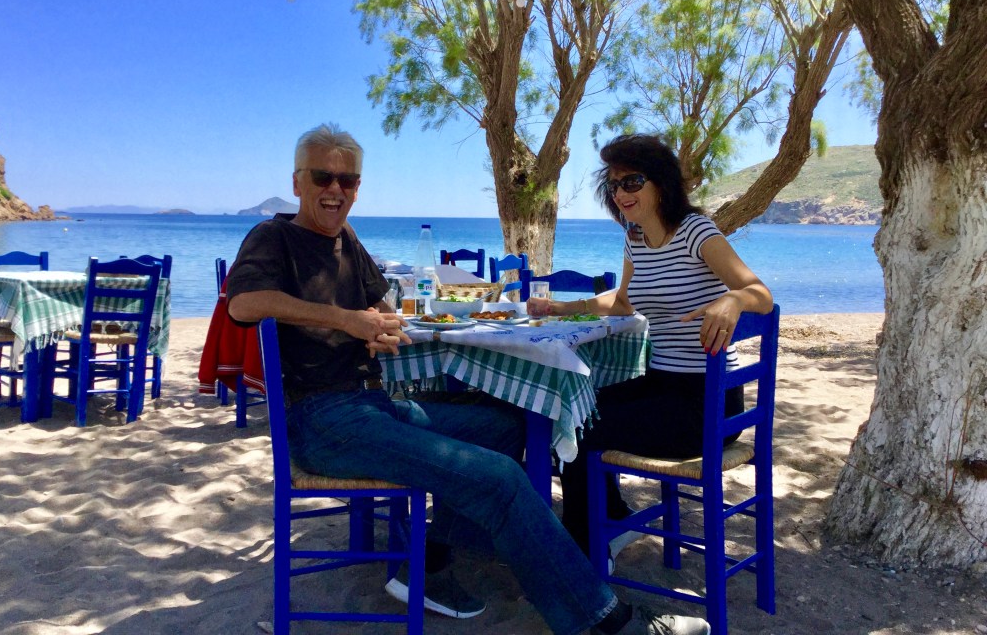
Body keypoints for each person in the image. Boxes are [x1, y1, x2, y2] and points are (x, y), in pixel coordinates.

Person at [226, 123, 712, 635]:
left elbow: (382, 303)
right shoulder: (274, 236)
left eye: (347, 181)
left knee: (506, 428)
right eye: (323, 177)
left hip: (373, 405)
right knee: (499, 479)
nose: (335, 190)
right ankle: (606, 623)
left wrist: (381, 322)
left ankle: (430, 563)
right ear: (298, 181)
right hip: (322, 419)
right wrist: (345, 321)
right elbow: (244, 302)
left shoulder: (346, 239)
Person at [528, 133, 774, 557]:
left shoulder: (696, 231)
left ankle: (582, 549)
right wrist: (562, 308)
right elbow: (624, 302)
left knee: (580, 427)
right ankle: (613, 521)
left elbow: (761, 295)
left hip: (707, 403)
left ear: (661, 182)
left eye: (632, 181)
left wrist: (733, 300)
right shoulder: (636, 240)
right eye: (614, 185)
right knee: (573, 408)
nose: (621, 193)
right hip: (661, 383)